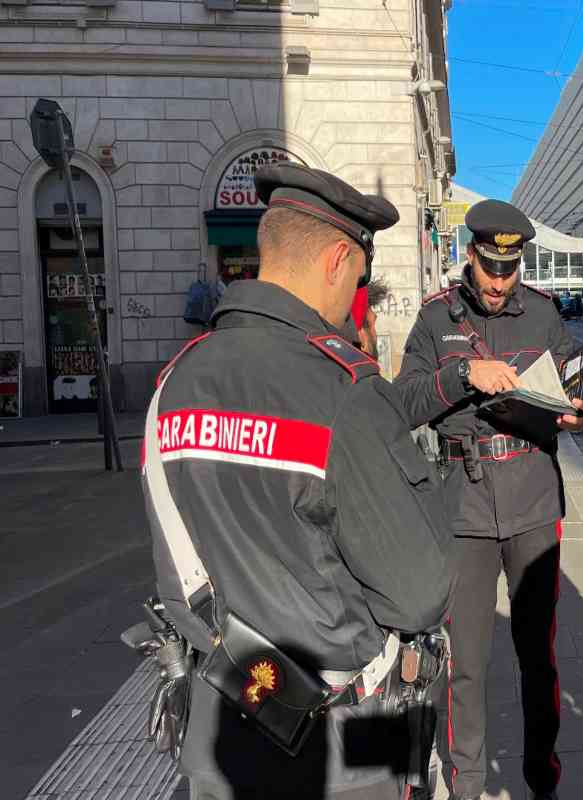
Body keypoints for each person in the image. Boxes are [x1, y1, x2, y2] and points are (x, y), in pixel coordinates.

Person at [145, 163, 453, 799]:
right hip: (347, 742)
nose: (355, 301)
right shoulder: (343, 391)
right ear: (338, 259)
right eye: (360, 282)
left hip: (222, 719)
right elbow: (419, 592)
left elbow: (176, 577)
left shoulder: (172, 383)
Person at [392, 199, 583, 800]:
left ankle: (543, 780)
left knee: (539, 656)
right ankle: (467, 785)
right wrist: (463, 377)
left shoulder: (542, 313)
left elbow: (573, 397)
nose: (498, 280)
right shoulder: (436, 319)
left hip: (534, 499)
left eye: (509, 269)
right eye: (489, 267)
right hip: (464, 508)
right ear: (470, 255)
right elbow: (403, 403)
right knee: (466, 667)